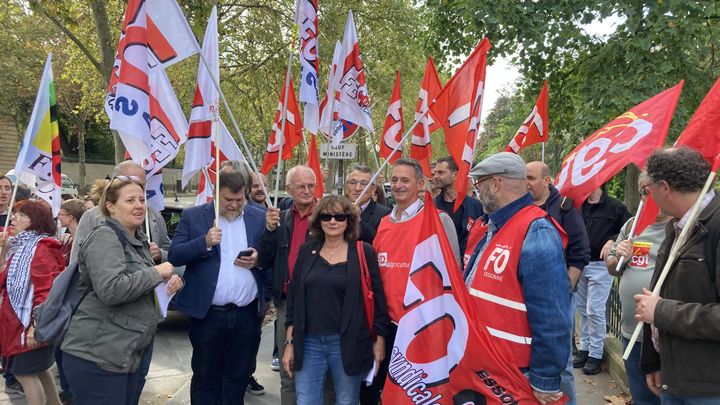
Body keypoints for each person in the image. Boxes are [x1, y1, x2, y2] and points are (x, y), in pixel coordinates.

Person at [60, 176, 182, 405]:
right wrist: (156, 273)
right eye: (130, 200)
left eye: (141, 199)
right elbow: (111, 289)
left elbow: (139, 285)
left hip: (124, 353)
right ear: (111, 207)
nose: (139, 205)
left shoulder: (139, 239)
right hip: (96, 356)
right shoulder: (105, 236)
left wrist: (168, 284)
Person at [464, 152, 571, 405]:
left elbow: (552, 315)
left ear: (496, 184)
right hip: (490, 365)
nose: (477, 192)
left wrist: (544, 379)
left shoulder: (536, 230)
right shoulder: (493, 225)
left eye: (479, 185)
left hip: (516, 372)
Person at [366, 158, 460, 405]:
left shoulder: (438, 220)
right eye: (395, 179)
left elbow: (454, 277)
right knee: (382, 391)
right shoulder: (384, 223)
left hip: (422, 328)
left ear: (419, 184)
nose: (398, 185)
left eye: (405, 180)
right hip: (387, 327)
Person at [168, 171, 267, 405]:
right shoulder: (194, 217)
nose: (234, 205)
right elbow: (175, 254)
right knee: (205, 376)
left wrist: (259, 259)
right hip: (209, 315)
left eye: (239, 200)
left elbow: (270, 257)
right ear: (215, 195)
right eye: (228, 200)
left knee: (238, 376)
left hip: (246, 314)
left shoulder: (258, 217)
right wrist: (204, 242)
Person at [282, 195, 390, 405]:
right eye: (326, 216)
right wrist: (289, 343)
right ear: (318, 221)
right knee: (305, 400)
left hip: (347, 343)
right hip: (309, 341)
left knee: (347, 401)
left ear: (348, 220)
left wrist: (380, 342)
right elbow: (294, 302)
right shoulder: (307, 251)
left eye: (339, 216)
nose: (332, 222)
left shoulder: (363, 252)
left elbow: (378, 301)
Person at [636, 147, 720, 403]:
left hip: (707, 387)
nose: (648, 196)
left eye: (648, 188)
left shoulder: (713, 226)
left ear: (664, 187)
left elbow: (659, 306)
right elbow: (660, 293)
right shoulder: (679, 226)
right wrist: (653, 360)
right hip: (675, 377)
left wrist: (661, 312)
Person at [526, 160, 591, 404]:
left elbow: (580, 252)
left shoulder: (564, 208)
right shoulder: (520, 207)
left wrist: (565, 288)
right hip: (529, 296)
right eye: (524, 178)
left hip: (559, 297)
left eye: (531, 178)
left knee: (560, 359)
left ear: (546, 180)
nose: (526, 183)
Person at [258, 165, 318, 405]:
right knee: (288, 368)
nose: (306, 191)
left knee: (320, 371)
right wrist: (270, 230)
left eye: (311, 186)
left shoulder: (327, 216)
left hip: (320, 305)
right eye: (301, 186)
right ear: (288, 189)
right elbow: (264, 258)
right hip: (286, 305)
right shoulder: (280, 218)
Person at [605, 172, 665, 405]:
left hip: (662, 336)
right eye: (642, 191)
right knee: (642, 398)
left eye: (650, 189)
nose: (646, 196)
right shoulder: (632, 225)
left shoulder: (682, 227)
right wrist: (618, 256)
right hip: (632, 334)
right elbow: (612, 268)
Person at [0, 200, 64, 405]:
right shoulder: (21, 247)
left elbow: (46, 290)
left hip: (27, 326)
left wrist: (35, 326)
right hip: (18, 324)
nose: (14, 217)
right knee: (40, 371)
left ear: (34, 221)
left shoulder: (41, 248)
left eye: (21, 215)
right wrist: (3, 251)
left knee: (25, 375)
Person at [574, 186, 630, 375]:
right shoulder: (578, 206)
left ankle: (596, 354)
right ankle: (585, 348)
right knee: (582, 308)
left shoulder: (615, 207)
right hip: (581, 263)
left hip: (601, 266)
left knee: (595, 309)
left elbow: (629, 230)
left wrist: (613, 240)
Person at [433, 156, 484, 253]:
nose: (435, 176)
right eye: (435, 173)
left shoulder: (476, 206)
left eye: (440, 172)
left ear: (455, 175)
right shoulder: (431, 206)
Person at [344, 164, 391, 243]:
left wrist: (357, 219)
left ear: (373, 189)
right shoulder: (335, 209)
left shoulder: (384, 214)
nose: (357, 188)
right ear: (346, 186)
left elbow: (378, 242)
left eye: (364, 184)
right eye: (352, 183)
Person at [58, 199, 87, 265]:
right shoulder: (66, 239)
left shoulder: (84, 241)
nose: (58, 217)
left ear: (70, 217)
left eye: (60, 214)